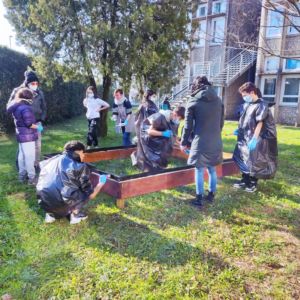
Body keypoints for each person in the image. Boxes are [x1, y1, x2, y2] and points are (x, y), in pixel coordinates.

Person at [36, 141, 108, 224]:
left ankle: (50, 215)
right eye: (82, 153)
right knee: (84, 193)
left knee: (55, 190)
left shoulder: (51, 159)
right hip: (62, 203)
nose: (83, 155)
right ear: (77, 152)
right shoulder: (80, 166)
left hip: (44, 200)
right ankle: (75, 215)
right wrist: (101, 183)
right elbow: (91, 194)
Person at [181, 76, 224, 206]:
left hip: (200, 141)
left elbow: (187, 126)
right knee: (212, 169)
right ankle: (211, 195)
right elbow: (221, 123)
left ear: (195, 86)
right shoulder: (218, 100)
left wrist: (183, 142)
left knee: (199, 169)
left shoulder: (193, 100)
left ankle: (199, 199)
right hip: (215, 140)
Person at [232, 82, 277, 192]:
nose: (244, 97)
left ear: (252, 92)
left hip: (257, 137)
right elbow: (245, 119)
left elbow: (260, 123)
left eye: (244, 95)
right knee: (241, 156)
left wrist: (254, 139)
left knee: (254, 160)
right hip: (245, 136)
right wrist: (240, 130)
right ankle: (245, 179)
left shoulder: (262, 105)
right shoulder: (249, 104)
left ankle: (252, 183)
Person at [7, 70, 46, 170]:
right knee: (24, 146)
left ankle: (35, 165)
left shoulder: (40, 92)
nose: (35, 85)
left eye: (37, 83)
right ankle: (21, 167)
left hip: (37, 122)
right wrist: (19, 117)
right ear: (26, 82)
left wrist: (42, 119)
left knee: (38, 145)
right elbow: (10, 106)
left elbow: (44, 107)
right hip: (24, 124)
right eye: (33, 83)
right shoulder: (18, 91)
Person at [7, 88, 43, 185]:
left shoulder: (17, 105)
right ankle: (32, 179)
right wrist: (39, 127)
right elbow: (29, 124)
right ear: (28, 97)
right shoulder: (26, 108)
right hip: (28, 136)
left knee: (21, 156)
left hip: (21, 134)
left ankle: (21, 176)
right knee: (29, 157)